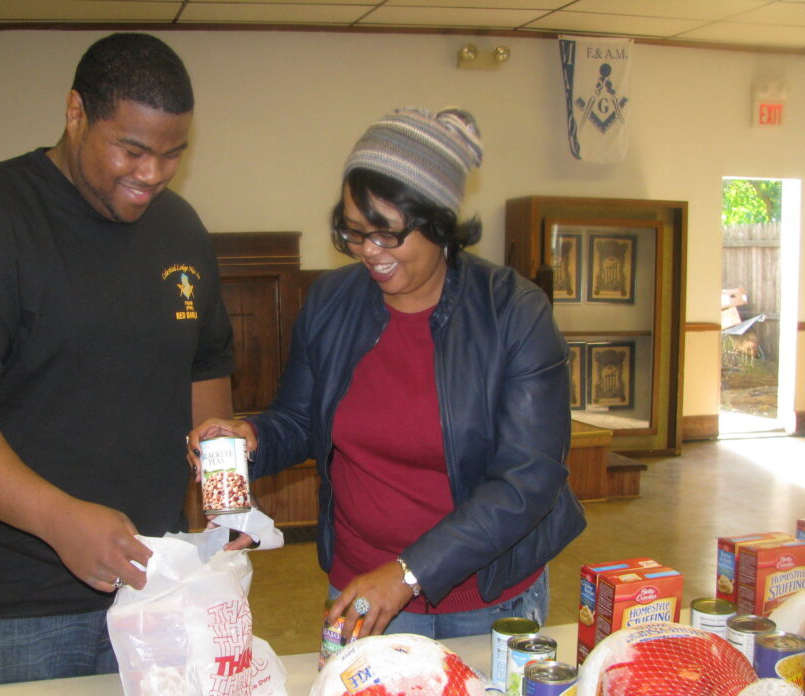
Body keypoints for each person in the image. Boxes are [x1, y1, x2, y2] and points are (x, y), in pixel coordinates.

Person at [0, 33, 235, 688]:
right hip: (10, 606)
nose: (152, 174)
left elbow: (204, 364)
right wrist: (56, 517)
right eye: (131, 149)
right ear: (76, 112)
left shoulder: (180, 229)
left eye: (171, 155)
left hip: (155, 587)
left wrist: (223, 497)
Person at [189, 108, 585, 641]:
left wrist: (407, 573)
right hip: (361, 583)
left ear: (439, 223)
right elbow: (302, 418)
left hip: (485, 596)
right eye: (353, 234)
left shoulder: (513, 313)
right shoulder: (332, 302)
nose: (369, 253)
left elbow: (528, 479)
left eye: (387, 235)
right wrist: (252, 436)